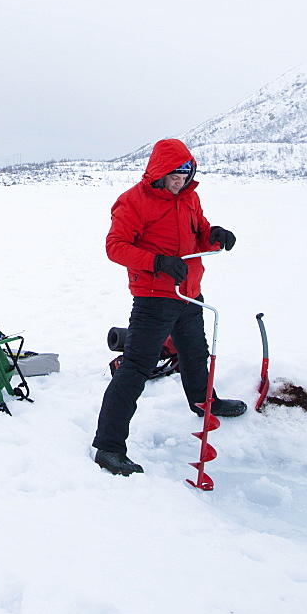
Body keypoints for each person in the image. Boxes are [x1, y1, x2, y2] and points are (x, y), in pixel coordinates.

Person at [93, 138, 245, 475]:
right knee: (135, 368)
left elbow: (199, 232)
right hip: (153, 296)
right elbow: (115, 247)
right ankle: (108, 446)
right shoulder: (133, 202)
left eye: (186, 175)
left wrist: (215, 235)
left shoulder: (190, 197)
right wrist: (157, 262)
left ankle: (205, 402)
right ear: (160, 173)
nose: (180, 183)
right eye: (174, 177)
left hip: (189, 293)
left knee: (194, 353)